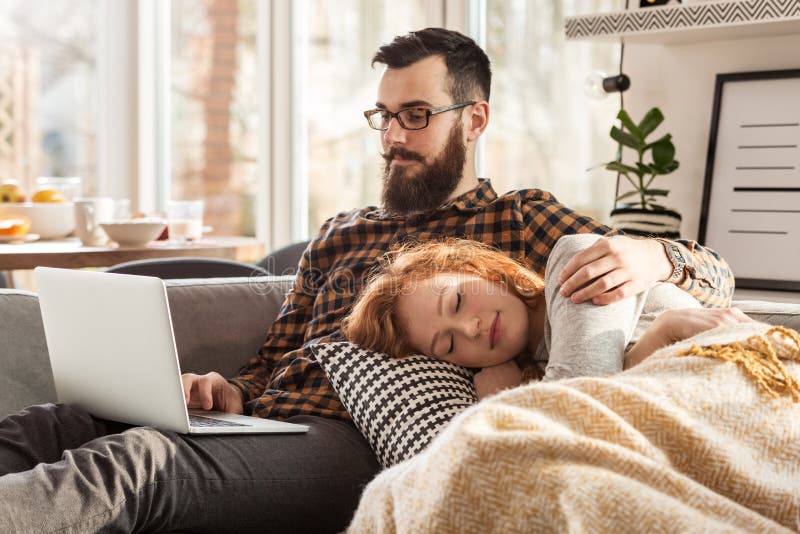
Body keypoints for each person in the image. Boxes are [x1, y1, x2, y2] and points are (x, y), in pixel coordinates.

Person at [0, 28, 734, 532]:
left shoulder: (518, 223)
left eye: (416, 116)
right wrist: (224, 391)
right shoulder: (341, 233)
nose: (393, 137)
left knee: (137, 464)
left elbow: (712, 275)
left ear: (473, 120)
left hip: (348, 440)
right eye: (383, 116)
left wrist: (655, 256)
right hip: (266, 418)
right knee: (49, 424)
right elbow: (274, 359)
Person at [343, 236, 751, 399]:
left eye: (458, 301)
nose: (471, 328)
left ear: (484, 272)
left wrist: (503, 402)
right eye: (449, 345)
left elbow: (583, 405)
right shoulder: (540, 367)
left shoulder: (575, 264)